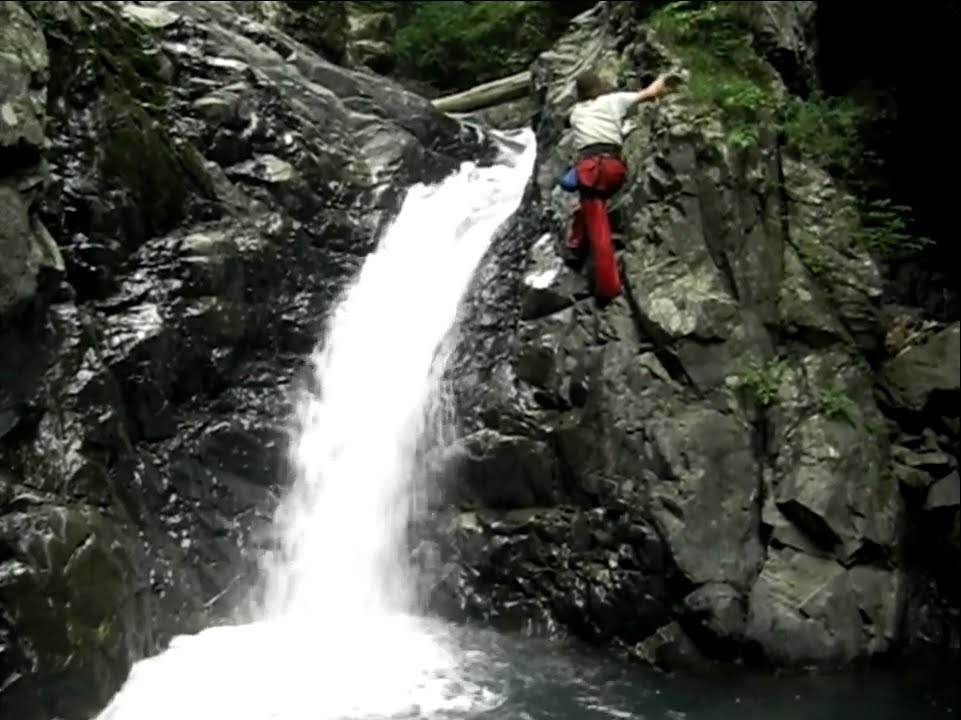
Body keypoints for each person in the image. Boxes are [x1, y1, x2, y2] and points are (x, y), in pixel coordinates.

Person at [562, 70, 670, 301]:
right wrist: (664, 77)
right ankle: (574, 243)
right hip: (613, 171)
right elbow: (651, 93)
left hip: (590, 173)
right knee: (589, 201)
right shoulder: (614, 101)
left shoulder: (576, 114)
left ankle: (608, 286)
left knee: (598, 228)